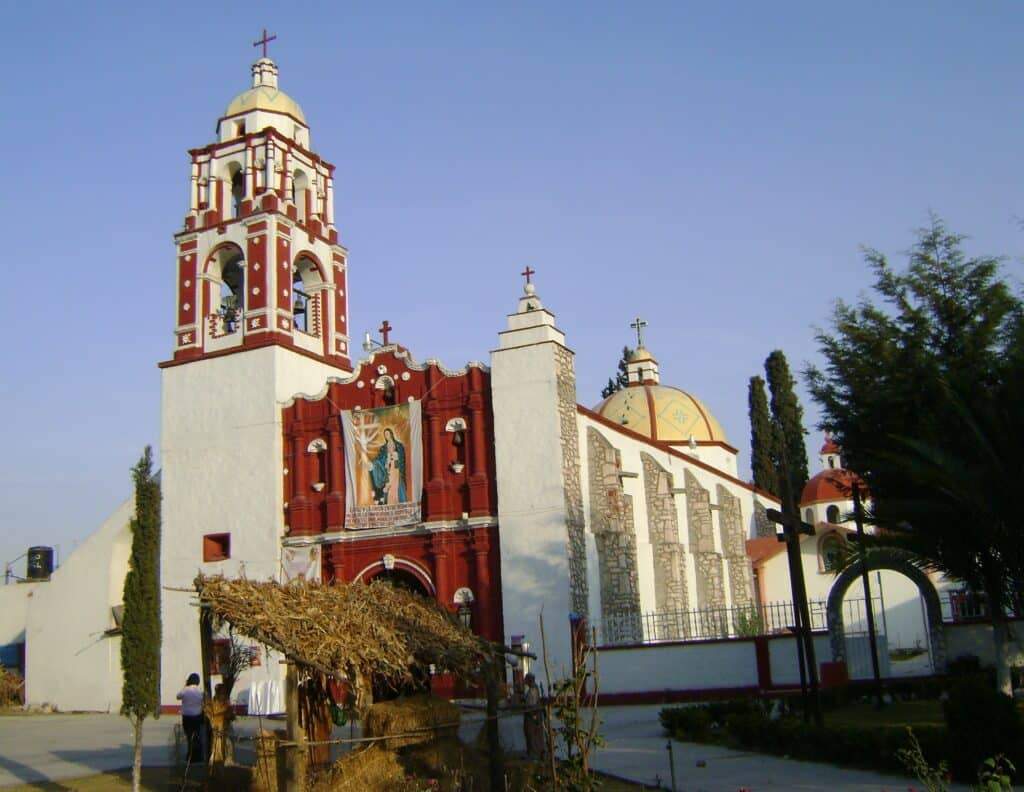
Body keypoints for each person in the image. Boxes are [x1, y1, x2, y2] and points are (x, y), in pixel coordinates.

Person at [370, 428, 407, 505]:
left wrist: (396, 462)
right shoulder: (383, 448)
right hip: (389, 471)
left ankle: (399, 502)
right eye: (385, 434)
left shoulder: (399, 446)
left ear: (391, 434)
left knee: (397, 487)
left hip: (396, 471)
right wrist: (374, 463)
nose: (386, 436)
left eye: (387, 434)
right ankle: (390, 503)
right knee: (390, 488)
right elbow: (380, 459)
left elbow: (401, 459)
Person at [177, 673, 205, 764]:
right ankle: (198, 756)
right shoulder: (200, 691)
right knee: (197, 736)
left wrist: (185, 686)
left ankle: (190, 755)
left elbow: (178, 696)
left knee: (189, 736)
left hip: (187, 717)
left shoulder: (185, 690)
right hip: (197, 716)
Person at [522, 672, 544, 759]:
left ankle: (533, 754)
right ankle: (535, 753)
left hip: (532, 716)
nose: (525, 681)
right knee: (533, 735)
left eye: (526, 679)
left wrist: (533, 715)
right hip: (533, 714)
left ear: (529, 680)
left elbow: (532, 704)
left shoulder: (533, 690)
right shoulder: (533, 689)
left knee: (531, 734)